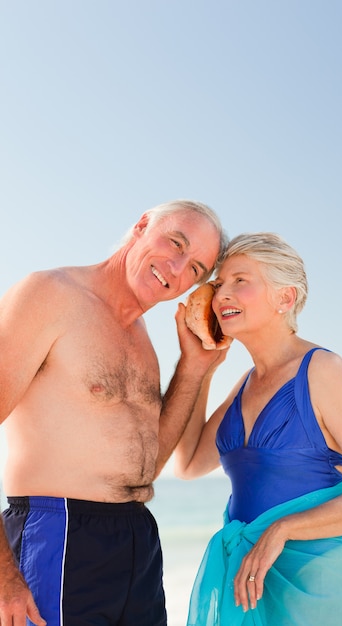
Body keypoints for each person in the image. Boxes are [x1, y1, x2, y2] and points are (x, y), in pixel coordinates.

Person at [0, 199, 229, 626]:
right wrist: (3, 578)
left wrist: (194, 367)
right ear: (142, 225)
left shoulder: (143, 344)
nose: (178, 269)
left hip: (136, 538)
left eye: (196, 269)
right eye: (174, 243)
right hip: (58, 532)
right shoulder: (50, 295)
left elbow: (146, 468)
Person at [173, 232, 342, 626]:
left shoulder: (323, 371)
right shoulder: (244, 383)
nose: (222, 294)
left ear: (285, 298)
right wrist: (198, 368)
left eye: (240, 281)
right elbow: (189, 463)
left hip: (316, 574)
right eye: (220, 284)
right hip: (248, 571)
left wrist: (282, 530)